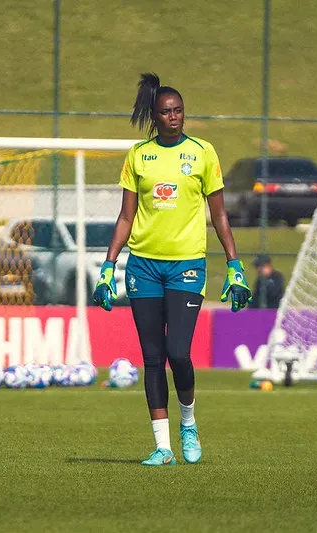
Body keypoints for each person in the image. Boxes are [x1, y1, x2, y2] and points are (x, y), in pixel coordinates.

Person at [92, 72, 253, 466]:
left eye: (179, 110)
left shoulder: (202, 153)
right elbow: (125, 217)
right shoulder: (138, 156)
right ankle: (163, 447)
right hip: (143, 267)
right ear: (155, 115)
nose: (174, 116)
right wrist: (108, 267)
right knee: (151, 358)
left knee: (178, 352)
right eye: (166, 111)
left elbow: (219, 215)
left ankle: (188, 423)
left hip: (186, 265)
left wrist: (235, 265)